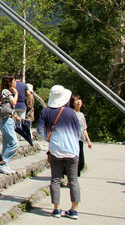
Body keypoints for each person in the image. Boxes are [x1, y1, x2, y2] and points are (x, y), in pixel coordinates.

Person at [37, 85, 81, 219]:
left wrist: (49, 139)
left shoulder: (45, 112)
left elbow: (40, 131)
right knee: (73, 180)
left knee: (55, 179)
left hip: (55, 150)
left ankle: (56, 208)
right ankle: (74, 209)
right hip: (72, 150)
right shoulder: (71, 113)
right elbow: (78, 131)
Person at [0, 75, 19, 174]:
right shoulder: (6, 91)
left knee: (7, 144)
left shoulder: (7, 92)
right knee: (14, 144)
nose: (15, 83)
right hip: (6, 121)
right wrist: (16, 94)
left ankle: (4, 165)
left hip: (8, 120)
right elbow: (13, 102)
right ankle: (2, 163)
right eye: (14, 81)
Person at [71, 95, 92, 177]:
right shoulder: (71, 113)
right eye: (76, 100)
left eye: (79, 100)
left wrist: (88, 140)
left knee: (81, 161)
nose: (79, 101)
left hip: (80, 139)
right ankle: (71, 177)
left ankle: (74, 175)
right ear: (73, 103)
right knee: (73, 159)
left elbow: (84, 128)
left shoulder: (81, 114)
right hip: (72, 139)